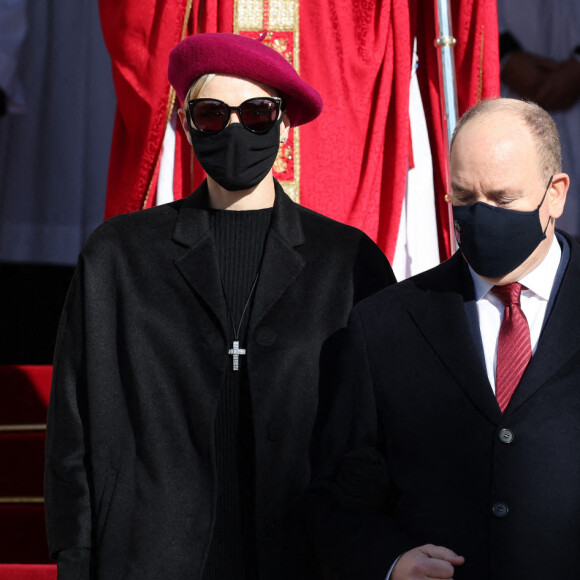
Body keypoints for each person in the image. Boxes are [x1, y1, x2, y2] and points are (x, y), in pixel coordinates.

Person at [44, 32, 394, 579]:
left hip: (307, 557)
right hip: (149, 556)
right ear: (186, 126)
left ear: (283, 126)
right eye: (211, 115)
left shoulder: (347, 262)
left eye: (256, 113)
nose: (235, 131)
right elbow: (75, 424)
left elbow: (376, 431)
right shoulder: (119, 257)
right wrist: (75, 557)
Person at [306, 98, 578, 579]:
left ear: (555, 193)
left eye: (501, 198)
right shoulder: (384, 324)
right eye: (464, 199)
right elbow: (338, 497)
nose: (482, 216)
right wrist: (389, 562)